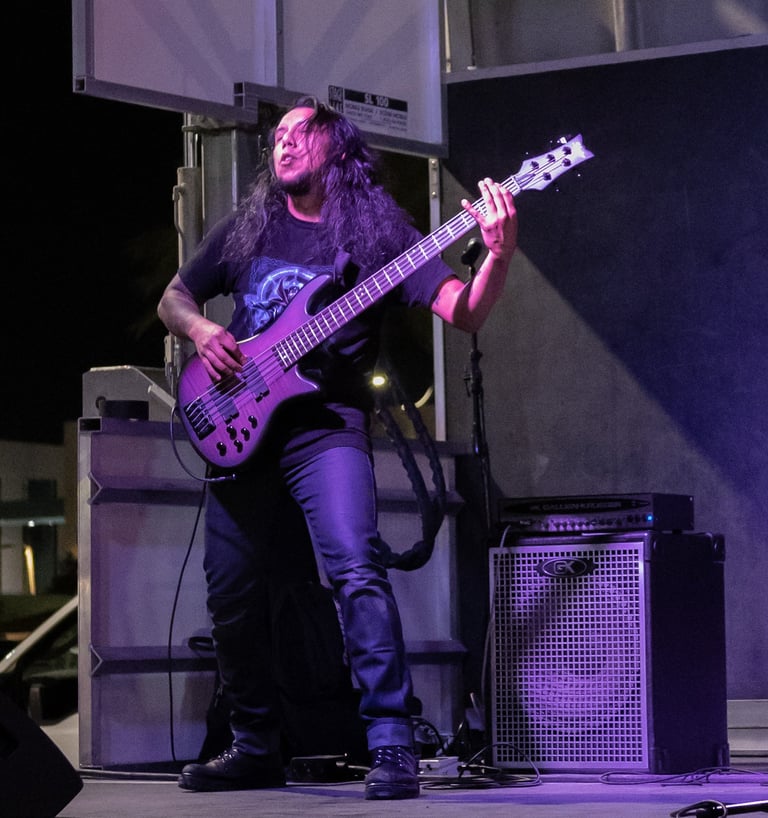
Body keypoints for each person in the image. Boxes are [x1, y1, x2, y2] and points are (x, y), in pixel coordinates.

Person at [157, 95, 517, 801]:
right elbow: (174, 298)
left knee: (356, 570)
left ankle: (392, 745)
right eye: (278, 136)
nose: (284, 143)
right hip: (238, 425)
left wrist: (498, 255)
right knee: (230, 592)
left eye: (301, 132)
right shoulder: (252, 225)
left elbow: (464, 310)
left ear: (339, 148)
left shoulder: (379, 233)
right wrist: (201, 332)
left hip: (326, 431)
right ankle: (253, 746)